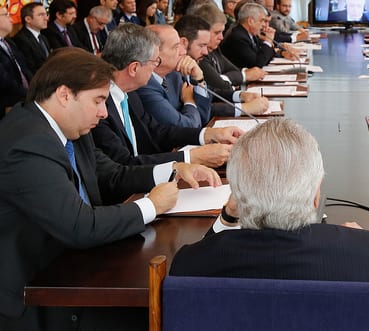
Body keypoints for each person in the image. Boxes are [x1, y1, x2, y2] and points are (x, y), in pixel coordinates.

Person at [0, 47, 218, 331]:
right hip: (36, 294)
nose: (104, 113)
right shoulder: (27, 143)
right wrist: (152, 205)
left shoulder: (67, 128)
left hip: (76, 267)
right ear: (65, 95)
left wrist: (175, 170)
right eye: (99, 100)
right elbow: (78, 226)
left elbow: (112, 174)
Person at [170, 118, 369, 325]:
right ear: (316, 195)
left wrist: (227, 218)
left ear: (237, 194)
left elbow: (203, 260)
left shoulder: (189, 262)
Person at [93, 23, 240, 172]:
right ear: (134, 68)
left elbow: (156, 131)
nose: (156, 66)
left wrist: (207, 134)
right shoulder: (99, 107)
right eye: (154, 61)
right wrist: (191, 157)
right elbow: (124, 163)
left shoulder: (129, 93)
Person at [177, 14, 269, 117]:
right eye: (201, 45)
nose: (206, 52)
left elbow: (211, 92)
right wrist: (244, 108)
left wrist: (241, 96)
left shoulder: (197, 59)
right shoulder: (173, 73)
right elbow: (201, 111)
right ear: (184, 42)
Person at [136, 24, 211, 128]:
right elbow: (185, 127)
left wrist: (199, 79)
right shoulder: (145, 86)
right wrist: (189, 102)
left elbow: (203, 117)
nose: (184, 51)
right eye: (176, 47)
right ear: (155, 53)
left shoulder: (174, 75)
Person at [187, 1, 267, 91]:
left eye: (222, 32)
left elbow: (234, 70)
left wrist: (227, 78)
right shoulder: (199, 56)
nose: (221, 37)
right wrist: (244, 76)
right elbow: (219, 85)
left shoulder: (215, 50)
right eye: (217, 33)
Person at [220, 2, 294, 69]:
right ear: (251, 21)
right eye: (262, 20)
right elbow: (257, 63)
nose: (264, 25)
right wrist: (268, 41)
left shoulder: (251, 35)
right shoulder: (238, 37)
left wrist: (282, 53)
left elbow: (264, 55)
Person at [0, 6, 31, 119]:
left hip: (22, 100)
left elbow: (24, 68)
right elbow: (4, 80)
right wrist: (28, 95)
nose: (11, 19)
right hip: (7, 105)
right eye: (6, 15)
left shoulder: (8, 41)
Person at [11, 2, 51, 74]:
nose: (46, 18)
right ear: (28, 19)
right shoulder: (21, 39)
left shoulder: (43, 37)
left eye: (46, 14)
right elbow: (30, 69)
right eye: (41, 15)